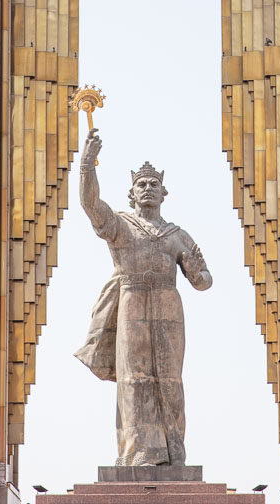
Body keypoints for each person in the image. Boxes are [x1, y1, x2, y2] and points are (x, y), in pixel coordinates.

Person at [75, 127, 213, 468]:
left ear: (164, 193)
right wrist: (87, 165)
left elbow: (204, 282)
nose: (148, 188)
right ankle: (137, 452)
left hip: (169, 306)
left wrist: (196, 270)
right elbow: (91, 206)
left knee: (169, 379)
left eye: (153, 184)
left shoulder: (177, 235)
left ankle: (173, 452)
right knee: (134, 379)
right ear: (132, 194)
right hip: (132, 300)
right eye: (141, 184)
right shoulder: (121, 226)